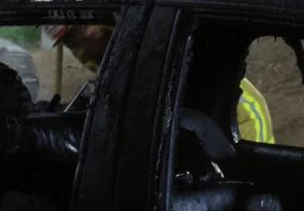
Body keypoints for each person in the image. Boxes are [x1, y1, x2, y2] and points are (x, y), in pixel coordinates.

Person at [43, 24, 275, 143]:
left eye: (77, 38)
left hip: (236, 114)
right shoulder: (107, 54)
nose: (80, 54)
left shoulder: (140, 36)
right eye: (70, 45)